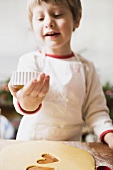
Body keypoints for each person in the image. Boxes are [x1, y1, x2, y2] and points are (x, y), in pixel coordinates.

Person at [8, 0, 113, 149]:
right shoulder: (30, 61)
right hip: (31, 145)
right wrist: (28, 102)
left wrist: (109, 135)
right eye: (40, 18)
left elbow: (96, 112)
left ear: (76, 19)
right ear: (32, 25)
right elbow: (23, 101)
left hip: (70, 148)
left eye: (57, 15)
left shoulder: (87, 68)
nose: (48, 23)